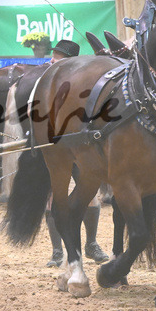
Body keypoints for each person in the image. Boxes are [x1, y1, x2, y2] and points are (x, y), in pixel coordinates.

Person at [43, 39, 110, 266]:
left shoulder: (83, 84)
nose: (52, 59)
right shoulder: (45, 81)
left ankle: (91, 244)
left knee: (90, 194)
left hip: (81, 146)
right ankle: (57, 250)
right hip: (55, 147)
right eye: (53, 54)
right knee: (54, 196)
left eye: (57, 56)